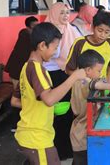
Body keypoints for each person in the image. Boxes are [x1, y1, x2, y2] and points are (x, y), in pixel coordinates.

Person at [11, 22, 86, 165]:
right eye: (55, 48)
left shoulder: (26, 67)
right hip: (37, 137)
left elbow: (15, 101)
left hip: (29, 134)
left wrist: (47, 110)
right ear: (42, 45)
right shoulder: (38, 70)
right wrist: (74, 77)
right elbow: (49, 99)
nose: (55, 52)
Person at [70, 50, 110, 165]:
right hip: (81, 131)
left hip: (82, 127)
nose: (100, 74)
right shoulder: (82, 81)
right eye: (98, 71)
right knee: (81, 160)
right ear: (88, 70)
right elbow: (93, 84)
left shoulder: (81, 79)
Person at [44, 2, 79, 160]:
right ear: (54, 13)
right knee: (52, 113)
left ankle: (65, 150)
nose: (65, 16)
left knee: (65, 113)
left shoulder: (70, 29)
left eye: (67, 13)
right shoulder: (47, 31)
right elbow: (52, 55)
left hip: (65, 73)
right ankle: (53, 151)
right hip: (49, 75)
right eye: (62, 13)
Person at [66, 11, 110, 83]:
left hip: (102, 87)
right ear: (93, 27)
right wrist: (85, 81)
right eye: (100, 30)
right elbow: (69, 69)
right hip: (83, 88)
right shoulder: (80, 43)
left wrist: (107, 84)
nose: (102, 35)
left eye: (107, 32)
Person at [5, 16, 39, 90]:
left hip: (18, 70)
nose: (37, 28)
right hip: (17, 70)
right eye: (35, 26)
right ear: (28, 26)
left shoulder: (29, 35)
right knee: (18, 92)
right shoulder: (26, 36)